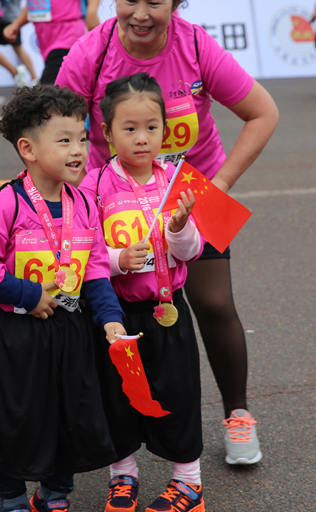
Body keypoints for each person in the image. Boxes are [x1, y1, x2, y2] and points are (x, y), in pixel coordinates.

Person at [56, 0, 279, 467]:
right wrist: (77, 198)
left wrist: (216, 188)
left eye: (155, 1)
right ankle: (106, 434)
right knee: (102, 310)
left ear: (176, 1)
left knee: (211, 302)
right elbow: (55, 128)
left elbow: (263, 113)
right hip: (112, 197)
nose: (140, 13)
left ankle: (238, 414)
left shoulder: (197, 45)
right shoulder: (92, 51)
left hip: (191, 190)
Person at [0, 84, 127, 512]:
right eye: (64, 140)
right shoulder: (9, 204)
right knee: (14, 420)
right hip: (18, 334)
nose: (79, 150)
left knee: (68, 416)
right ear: (28, 149)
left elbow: (92, 268)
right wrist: (29, 295)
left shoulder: (84, 203)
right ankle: (11, 500)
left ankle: (54, 497)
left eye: (82, 138)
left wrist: (109, 315)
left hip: (69, 332)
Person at [79, 73, 207, 512]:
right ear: (106, 131)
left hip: (168, 309)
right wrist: (117, 260)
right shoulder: (93, 186)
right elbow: (83, 253)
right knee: (118, 394)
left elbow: (193, 251)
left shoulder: (177, 180)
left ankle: (189, 482)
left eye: (151, 127)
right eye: (128, 129)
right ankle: (123, 477)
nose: (141, 138)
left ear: (165, 130)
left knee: (179, 392)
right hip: (116, 313)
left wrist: (178, 228)